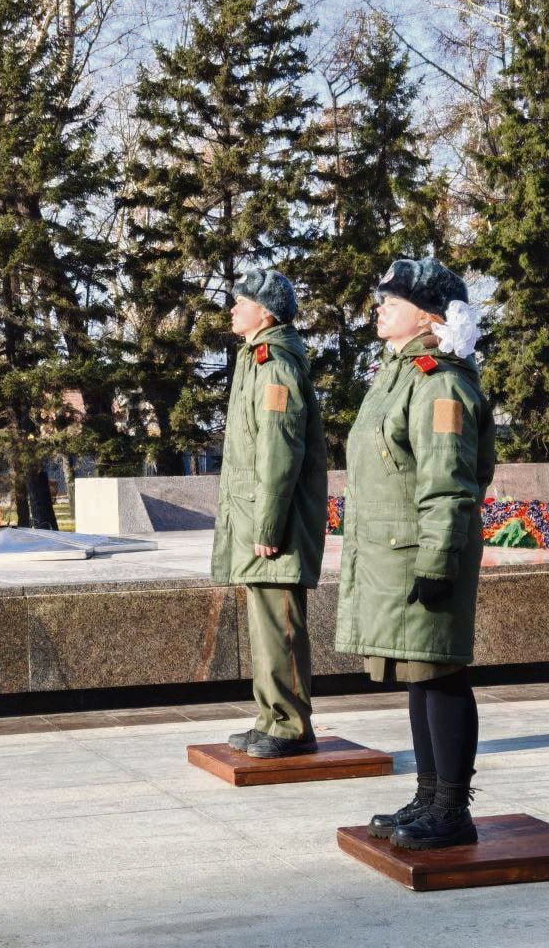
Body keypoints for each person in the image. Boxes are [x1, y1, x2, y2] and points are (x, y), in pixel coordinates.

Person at [334, 256, 495, 850]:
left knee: (441, 675)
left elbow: (450, 482)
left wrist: (436, 563)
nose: (380, 309)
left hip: (422, 555)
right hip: (394, 555)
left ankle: (452, 809)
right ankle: (428, 796)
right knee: (418, 675)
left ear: (427, 317)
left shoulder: (441, 382)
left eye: (391, 302)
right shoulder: (398, 374)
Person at [211, 268, 328, 759]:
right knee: (264, 624)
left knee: (279, 622)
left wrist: (267, 525)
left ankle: (291, 726)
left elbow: (279, 451)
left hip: (272, 522)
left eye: (241, 301)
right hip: (258, 517)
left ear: (266, 311)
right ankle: (270, 717)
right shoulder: (255, 359)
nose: (233, 309)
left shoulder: (274, 362)